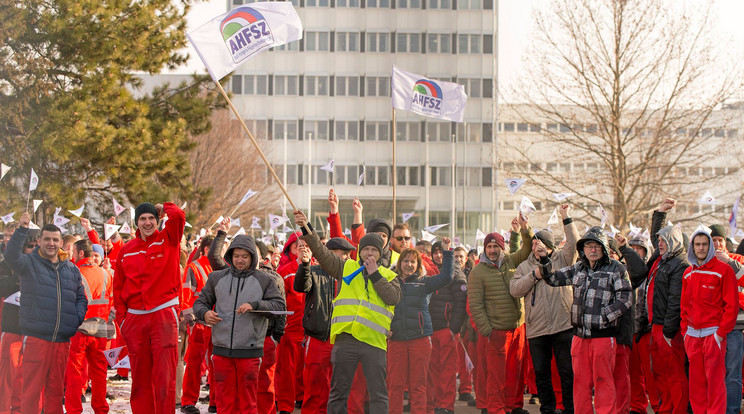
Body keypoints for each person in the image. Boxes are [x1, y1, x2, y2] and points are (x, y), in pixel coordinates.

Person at [294, 209, 401, 414]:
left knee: (378, 393)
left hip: (374, 343)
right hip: (346, 340)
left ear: (380, 253)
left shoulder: (389, 275)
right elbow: (322, 253)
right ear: (359, 251)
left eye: (374, 250)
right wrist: (306, 227)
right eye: (366, 249)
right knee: (338, 392)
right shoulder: (347, 268)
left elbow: (392, 297)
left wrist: (375, 274)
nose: (370, 253)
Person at [535, 226, 633, 414]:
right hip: (579, 338)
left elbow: (626, 298)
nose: (593, 250)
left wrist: (604, 316)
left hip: (603, 338)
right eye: (589, 246)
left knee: (604, 383)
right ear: (583, 249)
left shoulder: (616, 268)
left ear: (604, 248)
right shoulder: (578, 268)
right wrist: (545, 259)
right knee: (580, 385)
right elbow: (553, 278)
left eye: (597, 246)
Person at [5, 212, 87, 414]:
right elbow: (11, 256)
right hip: (36, 338)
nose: (51, 243)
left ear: (61, 243)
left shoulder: (71, 269)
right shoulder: (28, 263)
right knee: (31, 392)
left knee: (56, 393)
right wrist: (22, 229)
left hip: (61, 341)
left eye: (55, 240)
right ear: (40, 241)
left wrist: (75, 320)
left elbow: (81, 298)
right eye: (47, 239)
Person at [193, 233, 285, 414]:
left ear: (253, 256)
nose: (240, 260)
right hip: (221, 351)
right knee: (224, 403)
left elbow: (279, 306)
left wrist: (255, 305)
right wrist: (205, 313)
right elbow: (199, 303)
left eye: (244, 256)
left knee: (248, 403)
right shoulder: (216, 278)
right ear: (230, 256)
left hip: (250, 351)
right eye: (236, 256)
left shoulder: (265, 280)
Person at [113, 202, 185, 413]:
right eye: (143, 218)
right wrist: (123, 320)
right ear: (136, 222)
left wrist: (164, 207)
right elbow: (118, 287)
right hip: (135, 320)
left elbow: (179, 216)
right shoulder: (127, 250)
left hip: (163, 315)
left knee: (164, 377)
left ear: (158, 219)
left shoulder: (168, 239)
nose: (147, 222)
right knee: (140, 379)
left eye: (151, 218)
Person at [510, 203, 578, 414]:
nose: (536, 247)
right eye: (534, 243)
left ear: (549, 246)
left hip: (563, 325)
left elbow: (574, 242)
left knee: (567, 372)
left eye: (540, 243)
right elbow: (514, 289)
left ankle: (569, 409)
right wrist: (534, 276)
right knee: (541, 373)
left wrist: (565, 216)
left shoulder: (563, 259)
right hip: (537, 330)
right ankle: (547, 409)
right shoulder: (525, 266)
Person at [468, 215, 533, 414]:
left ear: (502, 248)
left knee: (515, 371)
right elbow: (475, 304)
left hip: (516, 327)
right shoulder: (478, 272)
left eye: (496, 247)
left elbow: (526, 250)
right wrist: (486, 329)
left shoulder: (510, 261)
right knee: (495, 375)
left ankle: (513, 405)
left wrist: (524, 228)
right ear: (485, 249)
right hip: (495, 331)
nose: (493, 250)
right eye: (489, 247)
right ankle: (496, 408)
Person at [388, 242, 454, 414]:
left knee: (418, 385)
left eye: (413, 262)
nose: (409, 265)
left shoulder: (424, 283)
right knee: (395, 385)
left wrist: (447, 252)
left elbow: (447, 277)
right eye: (406, 261)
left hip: (420, 339)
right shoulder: (390, 281)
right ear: (399, 263)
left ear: (418, 265)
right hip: (396, 340)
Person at [681, 227, 738, 414]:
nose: (701, 248)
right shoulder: (688, 273)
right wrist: (685, 334)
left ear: (710, 247)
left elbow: (731, 306)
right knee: (696, 385)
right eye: (697, 244)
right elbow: (683, 307)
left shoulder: (724, 271)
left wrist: (719, 335)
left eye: (705, 244)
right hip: (692, 337)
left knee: (715, 383)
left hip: (713, 335)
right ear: (692, 247)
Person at [295, 237, 355, 414]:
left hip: (344, 339)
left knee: (341, 387)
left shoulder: (352, 275)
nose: (347, 258)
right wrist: (304, 265)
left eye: (348, 254)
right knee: (315, 385)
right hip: (318, 337)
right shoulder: (313, 271)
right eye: (343, 254)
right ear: (329, 254)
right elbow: (300, 286)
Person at [644, 199, 689, 414]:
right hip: (656, 326)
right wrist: (660, 213)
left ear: (674, 241)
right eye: (659, 240)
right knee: (660, 371)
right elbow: (656, 236)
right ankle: (666, 408)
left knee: (674, 373)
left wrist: (670, 331)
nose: (659, 243)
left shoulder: (680, 264)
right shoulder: (663, 258)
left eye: (664, 240)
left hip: (668, 329)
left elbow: (675, 300)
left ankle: (678, 409)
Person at [64, 239, 114, 414]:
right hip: (101, 330)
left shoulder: (73, 273)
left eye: (73, 253)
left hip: (79, 330)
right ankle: (101, 409)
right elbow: (112, 302)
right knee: (99, 373)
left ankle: (74, 410)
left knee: (75, 372)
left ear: (80, 253)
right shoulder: (106, 274)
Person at [0, 228, 38, 413]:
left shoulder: (44, 266)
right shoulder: (6, 265)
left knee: (27, 376)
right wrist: (21, 276)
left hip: (35, 330)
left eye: (35, 246)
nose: (34, 249)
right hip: (12, 327)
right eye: (30, 246)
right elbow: (2, 287)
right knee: (8, 376)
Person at [427, 240, 467, 414]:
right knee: (432, 370)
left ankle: (446, 405)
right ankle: (435, 404)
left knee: (448, 371)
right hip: (430, 330)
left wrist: (454, 328)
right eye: (435, 252)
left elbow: (461, 301)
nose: (438, 255)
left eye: (441, 252)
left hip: (447, 329)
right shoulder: (427, 272)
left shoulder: (455, 271)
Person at [708, 224, 744, 414]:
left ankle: (731, 410)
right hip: (711, 327)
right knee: (713, 373)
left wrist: (730, 262)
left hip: (735, 326)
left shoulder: (737, 259)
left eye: (720, 240)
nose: (718, 244)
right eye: (713, 241)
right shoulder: (704, 262)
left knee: (732, 374)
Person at [180, 236, 215, 414]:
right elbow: (186, 295)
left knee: (217, 364)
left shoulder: (222, 267)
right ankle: (188, 401)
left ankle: (215, 401)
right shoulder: (193, 268)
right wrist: (190, 320)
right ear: (206, 249)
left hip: (216, 322)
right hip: (199, 323)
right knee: (194, 364)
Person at [275, 232, 307, 414]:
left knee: (307, 367)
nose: (303, 249)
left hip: (310, 328)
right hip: (290, 328)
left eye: (307, 246)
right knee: (287, 369)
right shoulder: (284, 272)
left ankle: (302, 398)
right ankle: (285, 404)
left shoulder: (317, 269)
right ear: (291, 249)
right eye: (299, 246)